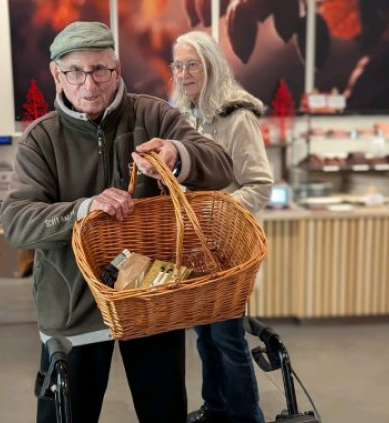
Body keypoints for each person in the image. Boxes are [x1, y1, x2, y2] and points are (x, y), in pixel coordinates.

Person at [0, 22, 234, 423]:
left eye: (99, 70)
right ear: (57, 74)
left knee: (164, 411)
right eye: (74, 71)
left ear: (117, 69)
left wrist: (177, 154)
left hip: (151, 301)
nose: (88, 83)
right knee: (66, 414)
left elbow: (222, 167)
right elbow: (18, 221)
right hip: (73, 307)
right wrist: (83, 209)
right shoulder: (42, 138)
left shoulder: (152, 115)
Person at [169, 31, 273, 423]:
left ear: (211, 65)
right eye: (177, 65)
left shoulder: (236, 116)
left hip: (228, 251)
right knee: (204, 336)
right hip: (196, 249)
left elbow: (259, 184)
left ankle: (246, 417)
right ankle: (216, 409)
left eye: (191, 64)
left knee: (228, 339)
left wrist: (217, 215)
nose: (183, 73)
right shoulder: (186, 116)